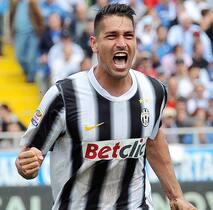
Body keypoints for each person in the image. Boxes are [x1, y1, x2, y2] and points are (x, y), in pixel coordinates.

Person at [15, 4, 196, 210]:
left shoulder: (153, 90)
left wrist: (176, 196)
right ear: (94, 43)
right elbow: (27, 157)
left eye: (128, 36)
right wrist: (25, 166)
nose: (122, 43)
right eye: (112, 36)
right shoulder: (64, 96)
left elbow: (153, 140)